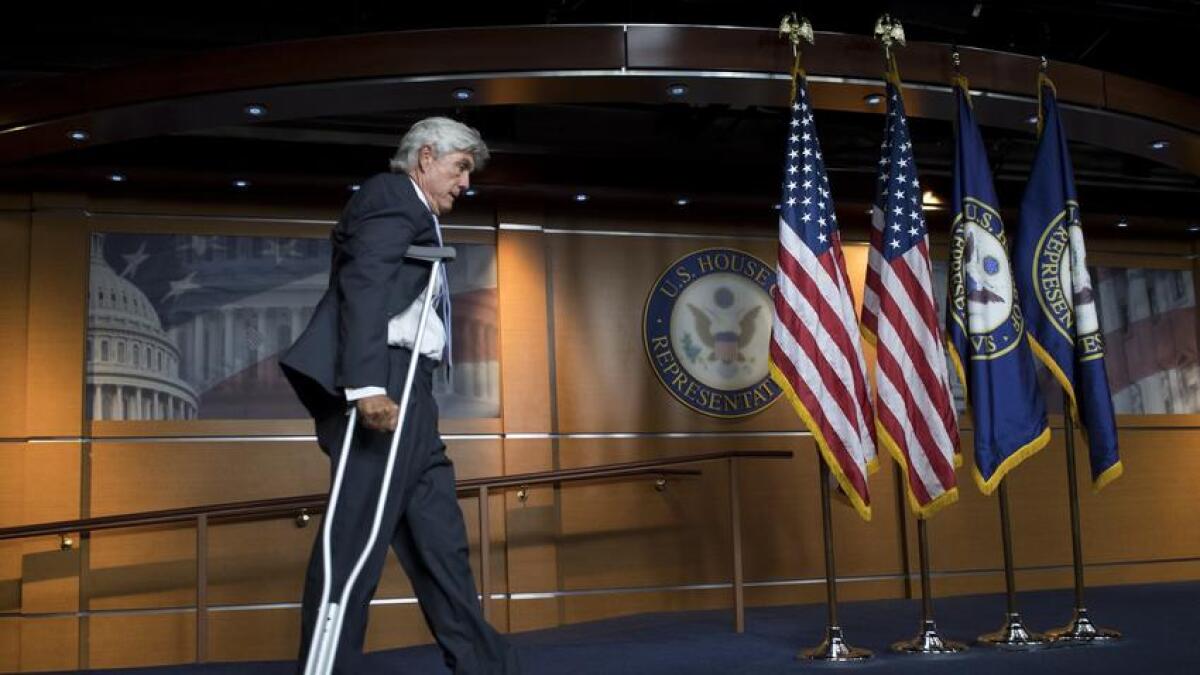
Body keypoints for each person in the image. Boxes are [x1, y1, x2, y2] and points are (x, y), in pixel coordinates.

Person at [280, 116, 520, 674]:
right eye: (461, 168)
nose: (466, 183)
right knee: (355, 546)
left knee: (441, 546)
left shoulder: (417, 212)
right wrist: (367, 387)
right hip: (383, 385)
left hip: (417, 395)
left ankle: (486, 667)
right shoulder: (391, 195)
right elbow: (364, 282)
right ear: (426, 157)